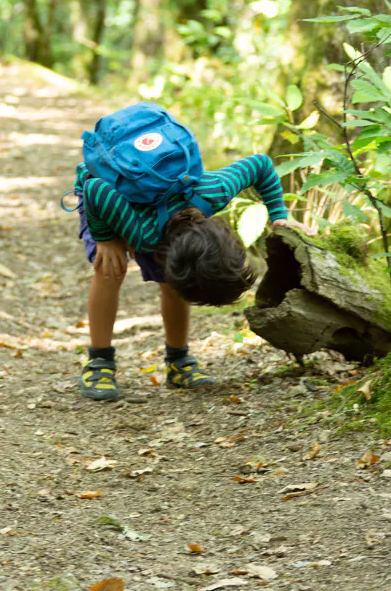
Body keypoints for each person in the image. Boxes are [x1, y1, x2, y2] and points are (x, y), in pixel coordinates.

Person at [74, 111, 311, 401]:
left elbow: (260, 165)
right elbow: (94, 189)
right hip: (104, 195)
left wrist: (279, 217)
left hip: (146, 202)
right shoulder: (144, 234)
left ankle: (178, 361)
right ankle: (99, 361)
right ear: (161, 256)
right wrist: (106, 239)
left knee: (174, 283)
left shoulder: (213, 192)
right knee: (109, 269)